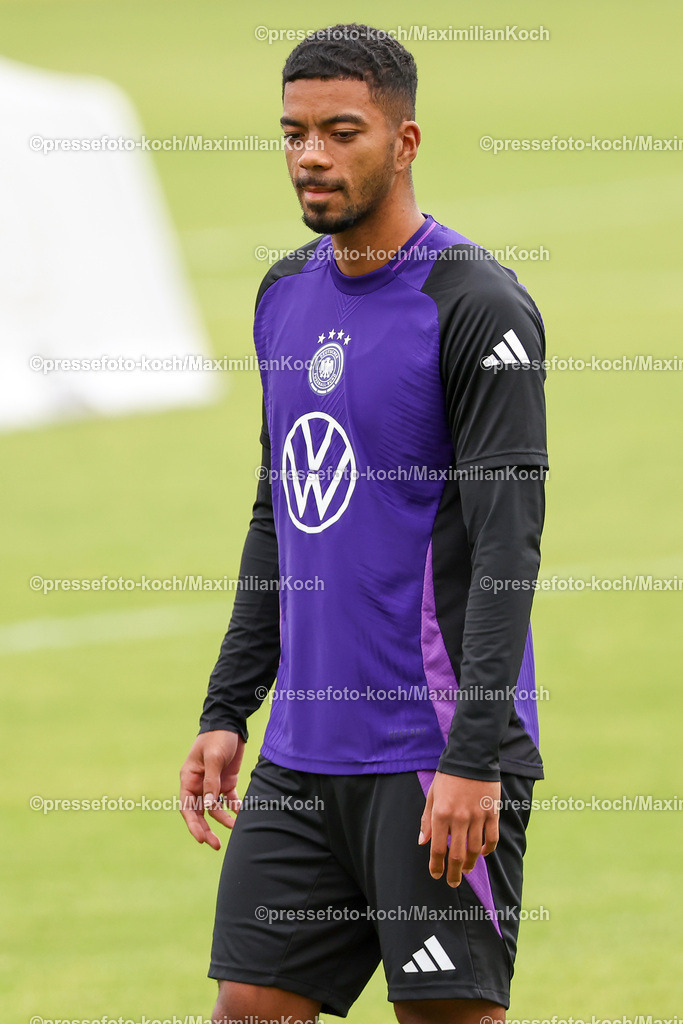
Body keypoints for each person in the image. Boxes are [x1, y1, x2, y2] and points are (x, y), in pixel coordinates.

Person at [180, 23, 548, 1024]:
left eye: (341, 132)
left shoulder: (474, 305)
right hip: (303, 752)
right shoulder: (283, 294)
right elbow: (280, 512)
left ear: (404, 140)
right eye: (293, 133)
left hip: (431, 750)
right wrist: (227, 708)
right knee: (247, 1010)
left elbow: (507, 546)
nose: (311, 155)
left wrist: (473, 756)